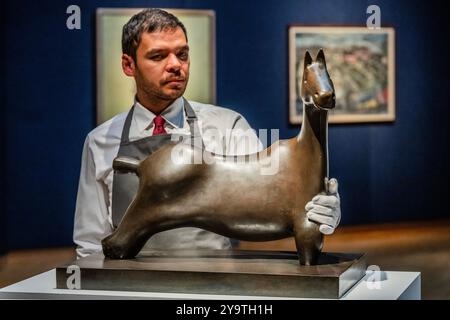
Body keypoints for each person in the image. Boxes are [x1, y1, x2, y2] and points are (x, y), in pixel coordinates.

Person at [73, 8, 341, 258]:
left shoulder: (229, 126)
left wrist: (321, 209)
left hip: (213, 285)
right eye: (158, 56)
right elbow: (90, 242)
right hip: (131, 288)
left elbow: (271, 193)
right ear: (128, 65)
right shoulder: (100, 142)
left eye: (182, 54)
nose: (175, 65)